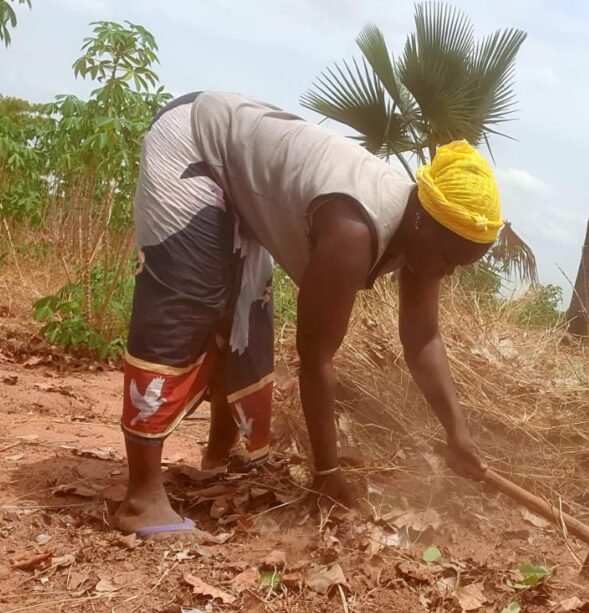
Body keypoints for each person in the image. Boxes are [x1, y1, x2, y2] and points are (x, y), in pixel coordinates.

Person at [114, 91, 502, 537]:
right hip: (193, 142)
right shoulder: (354, 231)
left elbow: (422, 339)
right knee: (188, 303)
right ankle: (141, 498)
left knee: (241, 313)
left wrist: (457, 432)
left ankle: (216, 458)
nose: (447, 271)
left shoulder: (424, 237)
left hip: (235, 169)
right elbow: (315, 357)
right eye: (449, 258)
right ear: (423, 221)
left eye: (460, 264)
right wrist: (326, 472)